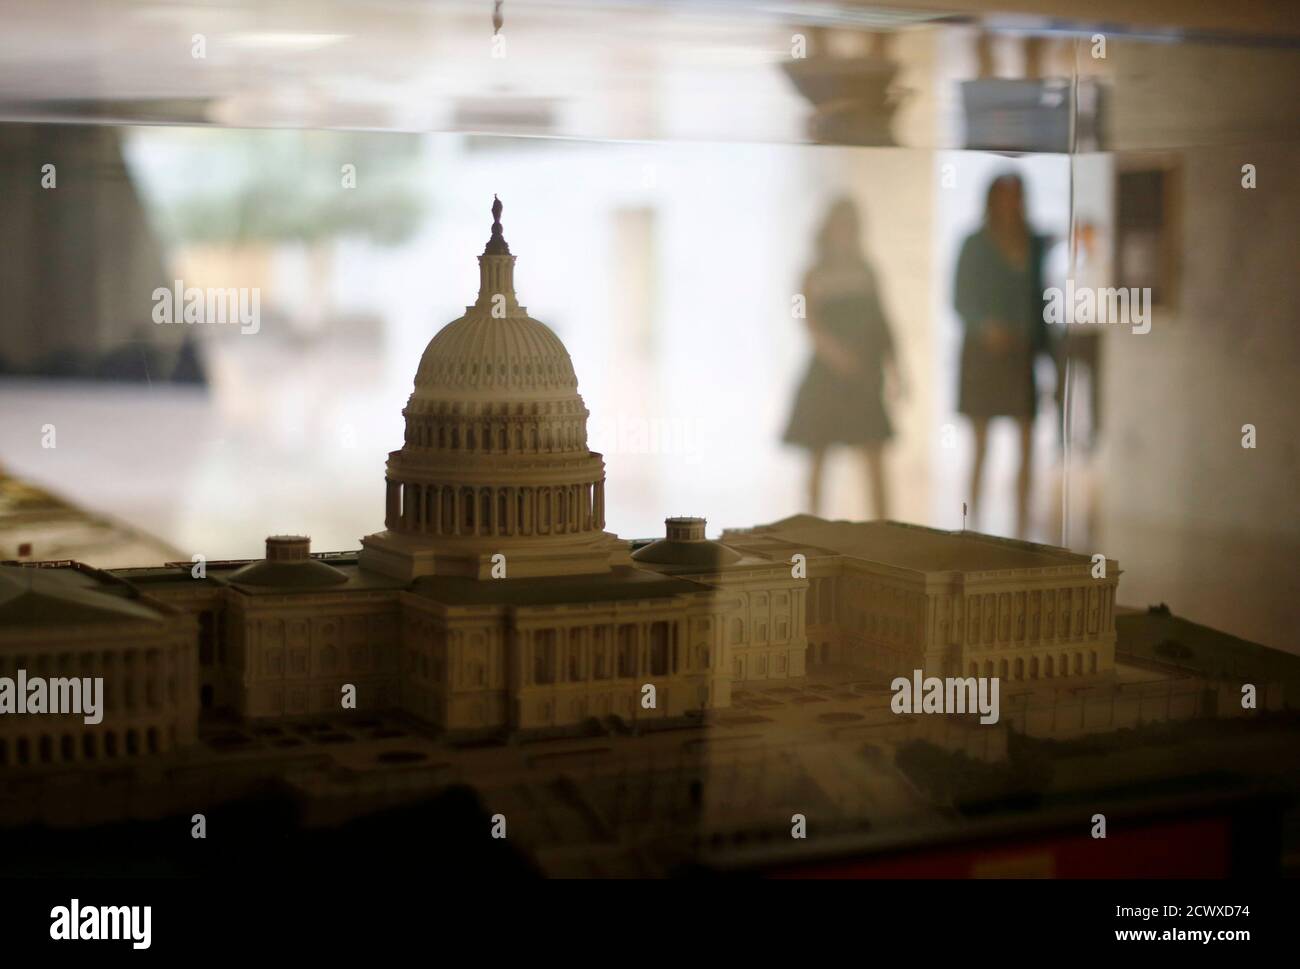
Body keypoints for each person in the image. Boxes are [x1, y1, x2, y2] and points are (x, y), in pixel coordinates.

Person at [783, 197, 902, 519]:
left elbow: (883, 322)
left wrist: (896, 370)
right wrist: (837, 357)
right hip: (826, 377)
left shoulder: (867, 271)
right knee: (818, 455)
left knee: (874, 454)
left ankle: (883, 530)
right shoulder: (813, 273)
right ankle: (813, 529)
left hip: (864, 375)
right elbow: (809, 323)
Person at [954, 172, 1051, 538]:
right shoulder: (974, 245)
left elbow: (1042, 299)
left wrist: (1047, 352)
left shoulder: (1035, 244)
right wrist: (986, 327)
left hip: (1020, 355)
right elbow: (960, 298)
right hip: (982, 357)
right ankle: (973, 525)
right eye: (1004, 196)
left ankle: (1022, 526)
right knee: (979, 446)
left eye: (1016, 196)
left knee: (1026, 441)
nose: (1011, 204)